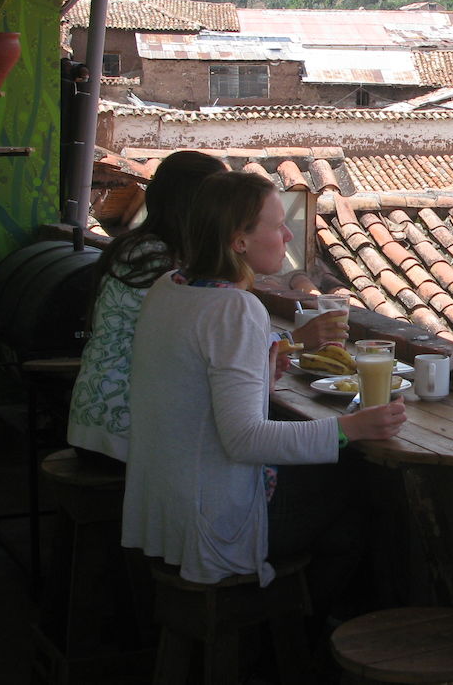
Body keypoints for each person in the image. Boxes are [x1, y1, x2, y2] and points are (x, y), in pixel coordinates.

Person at [121, 171, 404, 587]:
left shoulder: (169, 287)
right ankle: (309, 634)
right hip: (214, 523)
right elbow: (244, 440)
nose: (288, 236)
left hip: (166, 509)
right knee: (364, 489)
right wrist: (350, 429)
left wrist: (261, 383)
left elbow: (191, 400)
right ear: (239, 241)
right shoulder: (235, 310)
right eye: (277, 226)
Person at [67, 152, 347, 462]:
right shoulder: (163, 270)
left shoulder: (147, 253)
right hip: (125, 432)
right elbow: (199, 347)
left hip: (98, 421)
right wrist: (293, 342)